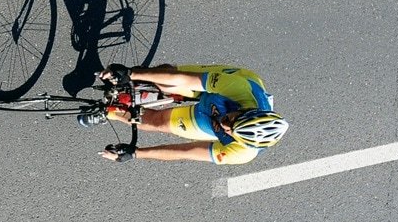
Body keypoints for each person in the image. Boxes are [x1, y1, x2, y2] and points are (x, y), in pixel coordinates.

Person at [81, 64, 287, 164]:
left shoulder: (242, 152)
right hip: (218, 91)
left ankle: (110, 112)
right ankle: (123, 78)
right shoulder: (241, 88)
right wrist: (130, 73)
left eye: (231, 132)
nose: (226, 126)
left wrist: (135, 153)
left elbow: (185, 152)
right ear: (247, 110)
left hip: (206, 119)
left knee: (159, 122)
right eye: (232, 120)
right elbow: (181, 78)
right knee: (166, 81)